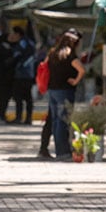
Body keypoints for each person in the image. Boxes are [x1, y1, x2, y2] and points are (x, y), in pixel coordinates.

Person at [41, 29, 86, 160]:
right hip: (65, 90)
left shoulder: (52, 53)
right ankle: (63, 152)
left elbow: (44, 66)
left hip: (53, 90)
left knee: (55, 121)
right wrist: (75, 80)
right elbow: (82, 70)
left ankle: (59, 150)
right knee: (63, 121)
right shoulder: (70, 55)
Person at [0, 24, 28, 125]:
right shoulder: (4, 47)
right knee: (3, 97)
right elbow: (4, 62)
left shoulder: (16, 46)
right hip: (3, 76)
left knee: (6, 97)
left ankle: (1, 115)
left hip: (10, 77)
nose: (12, 37)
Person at [11, 25, 38, 125]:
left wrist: (16, 64)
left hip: (22, 74)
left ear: (18, 34)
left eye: (13, 33)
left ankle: (20, 117)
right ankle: (27, 118)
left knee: (20, 97)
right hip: (28, 74)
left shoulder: (23, 43)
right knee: (27, 97)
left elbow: (19, 56)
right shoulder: (29, 43)